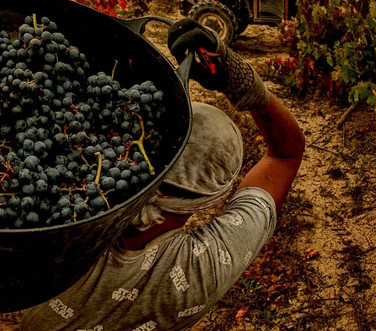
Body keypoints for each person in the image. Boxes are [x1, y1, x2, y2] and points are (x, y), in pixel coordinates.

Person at [20, 18, 305, 330]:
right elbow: (285, 155)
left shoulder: (60, 226)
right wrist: (243, 84)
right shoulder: (199, 272)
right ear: (207, 202)